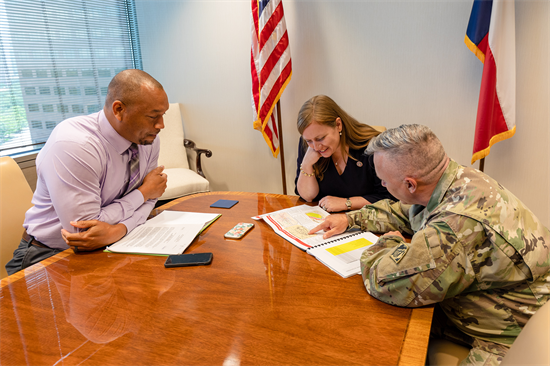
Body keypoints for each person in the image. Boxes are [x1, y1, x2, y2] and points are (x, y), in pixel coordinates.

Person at [310, 124, 550, 365]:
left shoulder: (455, 227)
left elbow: (385, 282)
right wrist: (351, 218)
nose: (382, 186)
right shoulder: (453, 179)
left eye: (383, 182)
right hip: (486, 303)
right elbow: (404, 210)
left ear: (410, 184)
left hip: (511, 334)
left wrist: (388, 243)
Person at [6, 69, 169, 276]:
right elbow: (84, 231)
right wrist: (143, 193)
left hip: (116, 242)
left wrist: (119, 230)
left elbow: (151, 200)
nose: (161, 125)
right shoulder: (75, 144)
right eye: (153, 116)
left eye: (163, 115)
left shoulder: (147, 138)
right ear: (118, 109)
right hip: (48, 255)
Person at [295, 95, 394, 212]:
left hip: (368, 221)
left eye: (321, 138)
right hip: (326, 220)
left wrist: (347, 203)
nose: (316, 147)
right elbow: (308, 197)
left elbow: (389, 199)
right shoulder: (309, 147)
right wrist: (307, 164)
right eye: (309, 140)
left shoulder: (372, 146)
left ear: (338, 125)